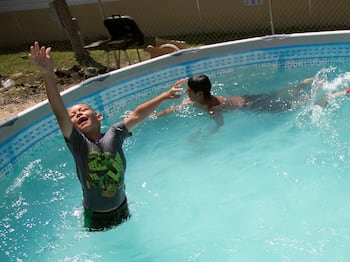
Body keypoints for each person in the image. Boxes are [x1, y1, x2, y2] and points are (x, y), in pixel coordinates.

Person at [29, 41, 185, 231]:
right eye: (74, 115)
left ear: (99, 116)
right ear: (72, 127)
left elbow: (137, 114)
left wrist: (164, 96)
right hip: (96, 216)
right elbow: (60, 112)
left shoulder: (115, 134)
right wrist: (48, 75)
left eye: (83, 110)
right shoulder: (78, 143)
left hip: (122, 207)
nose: (78, 114)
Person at [158, 74, 314, 131]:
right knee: (272, 94)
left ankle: (311, 98)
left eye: (189, 90)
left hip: (249, 106)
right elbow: (175, 108)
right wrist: (156, 115)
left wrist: (205, 136)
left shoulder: (213, 108)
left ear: (199, 93)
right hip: (244, 98)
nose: (186, 92)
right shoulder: (195, 99)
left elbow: (219, 124)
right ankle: (300, 84)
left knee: (290, 107)